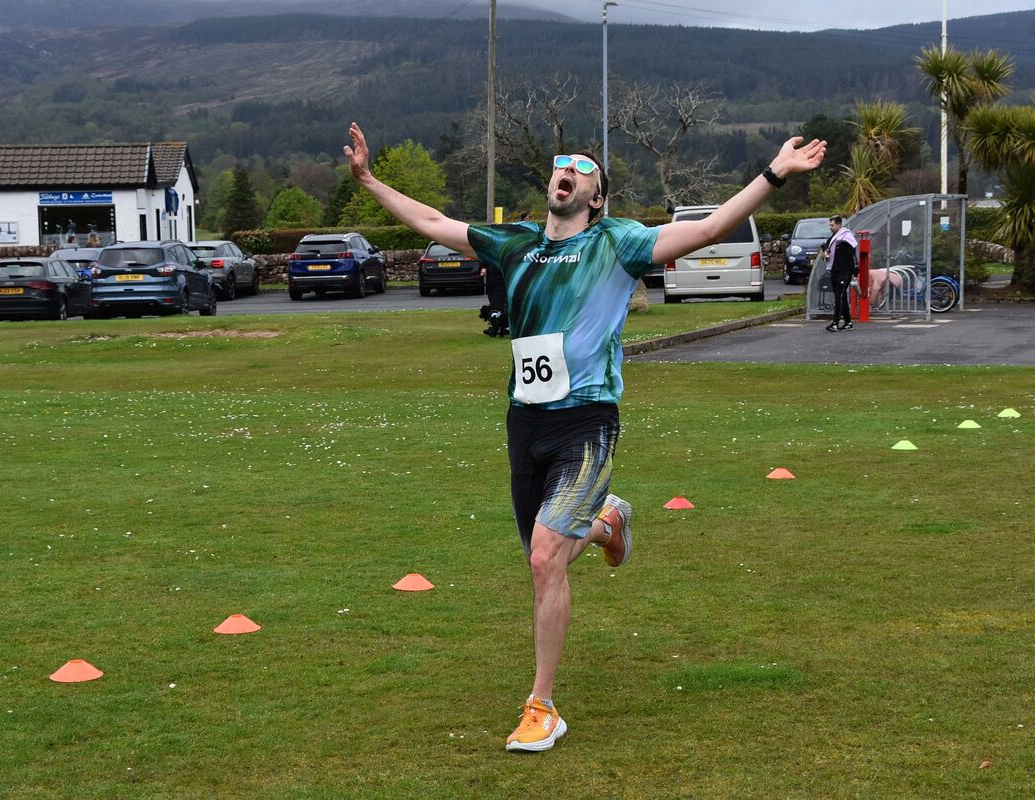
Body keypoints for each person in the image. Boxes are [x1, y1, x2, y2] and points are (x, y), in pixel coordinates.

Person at [343, 121, 825, 752]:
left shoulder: (616, 242)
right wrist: (370, 180)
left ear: (596, 195)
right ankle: (609, 523)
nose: (565, 169)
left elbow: (706, 231)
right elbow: (434, 223)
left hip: (588, 419)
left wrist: (772, 173)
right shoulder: (514, 243)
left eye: (582, 166)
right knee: (542, 558)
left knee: (546, 557)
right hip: (527, 419)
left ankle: (542, 705)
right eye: (559, 164)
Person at [821, 215, 858, 331]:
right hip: (834, 269)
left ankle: (835, 323)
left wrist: (854, 272)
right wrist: (825, 251)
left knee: (839, 296)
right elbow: (827, 248)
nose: (830, 227)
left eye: (832, 225)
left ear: (838, 224)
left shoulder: (846, 237)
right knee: (841, 297)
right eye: (830, 225)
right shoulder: (833, 237)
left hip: (844, 270)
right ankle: (848, 322)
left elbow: (852, 255)